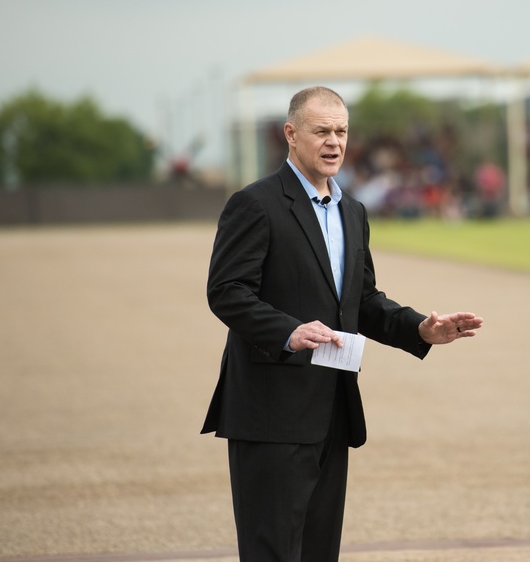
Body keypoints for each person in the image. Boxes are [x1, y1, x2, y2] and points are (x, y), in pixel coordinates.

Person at [201, 86, 483, 562]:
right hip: (270, 414)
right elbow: (226, 291)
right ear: (291, 135)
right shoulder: (255, 204)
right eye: (321, 131)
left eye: (341, 131)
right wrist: (286, 332)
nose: (334, 142)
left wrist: (421, 329)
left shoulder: (353, 212)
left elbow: (363, 300)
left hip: (331, 410)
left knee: (318, 553)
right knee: (272, 552)